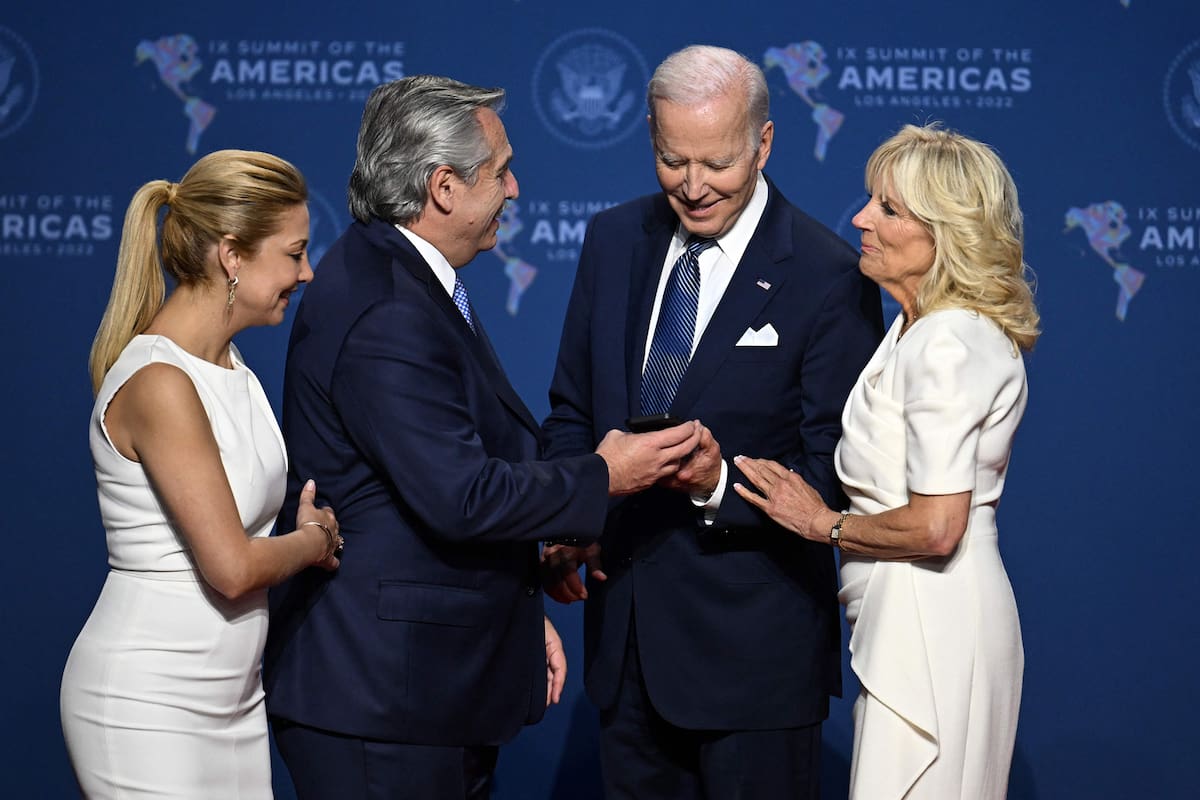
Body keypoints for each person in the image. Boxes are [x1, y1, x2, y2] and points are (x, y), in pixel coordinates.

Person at [262, 75, 702, 800]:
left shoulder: (399, 278)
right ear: (443, 187)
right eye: (500, 172)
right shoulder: (388, 309)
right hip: (383, 699)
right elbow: (460, 494)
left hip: (421, 688)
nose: (515, 189)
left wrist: (518, 605)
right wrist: (605, 474)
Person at [541, 45, 883, 800]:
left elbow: (837, 473)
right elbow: (571, 411)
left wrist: (717, 483)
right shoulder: (612, 240)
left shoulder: (828, 274)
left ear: (764, 143)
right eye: (673, 160)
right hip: (625, 653)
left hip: (754, 664)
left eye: (717, 163)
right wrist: (571, 514)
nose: (693, 187)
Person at [733, 123, 1040, 799]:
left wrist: (821, 524)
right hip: (914, 616)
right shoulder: (918, 329)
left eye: (889, 209)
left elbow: (938, 526)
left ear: (945, 233)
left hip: (933, 623)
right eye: (872, 200)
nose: (861, 219)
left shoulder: (947, 343)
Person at [60, 150, 342, 798]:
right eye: (294, 253)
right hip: (145, 703)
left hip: (234, 702)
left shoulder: (232, 365)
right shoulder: (160, 380)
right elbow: (233, 567)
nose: (306, 272)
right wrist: (314, 541)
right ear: (232, 255)